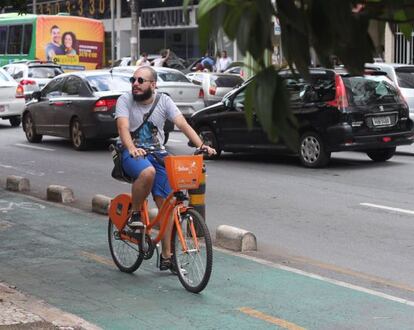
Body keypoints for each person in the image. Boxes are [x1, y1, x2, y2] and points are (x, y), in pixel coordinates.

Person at [114, 66, 216, 271]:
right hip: (130, 153)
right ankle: (135, 214)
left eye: (140, 80)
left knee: (168, 203)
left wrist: (200, 145)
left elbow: (183, 124)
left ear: (153, 84)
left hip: (158, 154)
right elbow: (123, 128)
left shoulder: (164, 101)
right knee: (147, 172)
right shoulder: (125, 100)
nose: (135, 84)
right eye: (133, 80)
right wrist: (132, 148)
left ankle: (167, 257)